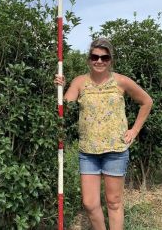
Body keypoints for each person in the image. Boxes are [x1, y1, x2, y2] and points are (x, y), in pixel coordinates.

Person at [54, 38, 153, 230]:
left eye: (104, 57)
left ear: (110, 60)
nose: (99, 61)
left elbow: (147, 101)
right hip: (88, 153)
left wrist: (135, 130)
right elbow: (63, 109)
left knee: (114, 202)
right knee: (90, 204)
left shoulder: (121, 81)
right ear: (89, 59)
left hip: (115, 151)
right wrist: (60, 87)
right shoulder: (79, 82)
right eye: (95, 57)